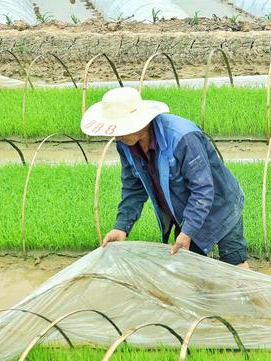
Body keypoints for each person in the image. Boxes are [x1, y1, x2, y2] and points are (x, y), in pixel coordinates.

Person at [80, 87, 249, 269]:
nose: (117, 135)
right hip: (184, 211)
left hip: (221, 206)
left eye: (121, 128)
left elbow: (203, 190)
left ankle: (251, 297)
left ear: (140, 122)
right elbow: (133, 187)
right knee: (191, 269)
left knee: (236, 266)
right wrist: (122, 227)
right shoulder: (126, 143)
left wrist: (188, 231)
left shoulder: (182, 137)